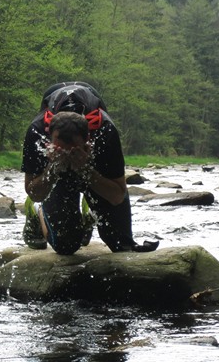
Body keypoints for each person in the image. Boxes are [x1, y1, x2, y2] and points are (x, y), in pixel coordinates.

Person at [21, 81, 159, 255]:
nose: (68, 155)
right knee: (66, 247)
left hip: (92, 167)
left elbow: (117, 196)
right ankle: (36, 212)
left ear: (88, 141)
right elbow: (34, 192)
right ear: (49, 140)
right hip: (54, 174)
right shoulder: (37, 133)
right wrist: (53, 167)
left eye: (74, 151)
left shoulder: (104, 133)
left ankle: (88, 210)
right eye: (61, 150)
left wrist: (85, 170)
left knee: (121, 245)